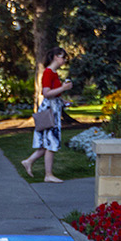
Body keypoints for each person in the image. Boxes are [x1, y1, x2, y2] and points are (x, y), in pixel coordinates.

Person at [21, 47, 73, 183]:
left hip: (54, 108)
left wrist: (63, 101)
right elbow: (46, 92)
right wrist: (64, 88)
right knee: (51, 142)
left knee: (48, 142)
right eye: (63, 57)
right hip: (50, 111)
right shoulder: (48, 73)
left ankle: (29, 161)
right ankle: (48, 175)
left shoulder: (54, 73)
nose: (64, 60)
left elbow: (53, 94)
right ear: (55, 56)